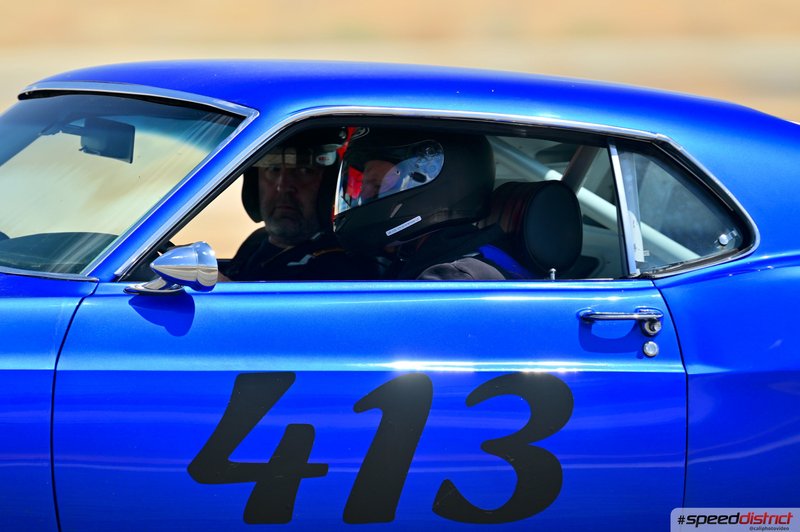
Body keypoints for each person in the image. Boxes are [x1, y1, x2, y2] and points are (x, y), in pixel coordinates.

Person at [332, 128, 521, 280]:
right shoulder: (427, 257)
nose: (364, 195)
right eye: (364, 185)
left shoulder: (453, 278)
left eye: (377, 184)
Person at [222, 128, 378, 281]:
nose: (283, 186)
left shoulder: (339, 266)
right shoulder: (257, 241)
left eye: (304, 170)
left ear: (329, 186)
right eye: (273, 169)